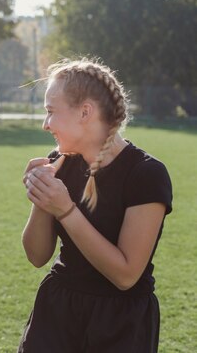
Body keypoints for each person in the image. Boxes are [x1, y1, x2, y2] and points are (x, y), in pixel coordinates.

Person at [18, 58, 172, 352]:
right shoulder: (59, 161)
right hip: (57, 311)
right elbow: (37, 256)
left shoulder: (146, 174)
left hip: (120, 323)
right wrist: (41, 197)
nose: (45, 124)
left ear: (85, 112)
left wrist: (65, 209)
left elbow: (126, 276)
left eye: (51, 112)